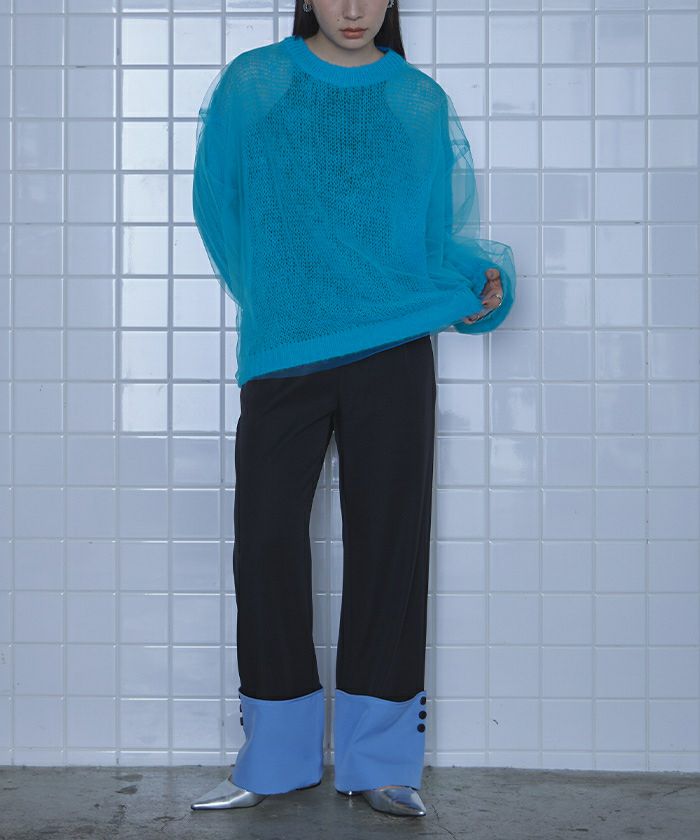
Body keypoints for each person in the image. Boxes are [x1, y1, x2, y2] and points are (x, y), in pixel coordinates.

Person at [189, 0, 516, 819]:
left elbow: (431, 232)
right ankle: (275, 756)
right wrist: (288, 300)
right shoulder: (257, 83)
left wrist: (474, 283)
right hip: (285, 351)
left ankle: (381, 762)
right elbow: (220, 207)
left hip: (394, 352)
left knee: (390, 546)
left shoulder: (417, 100)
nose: (354, 8)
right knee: (266, 541)